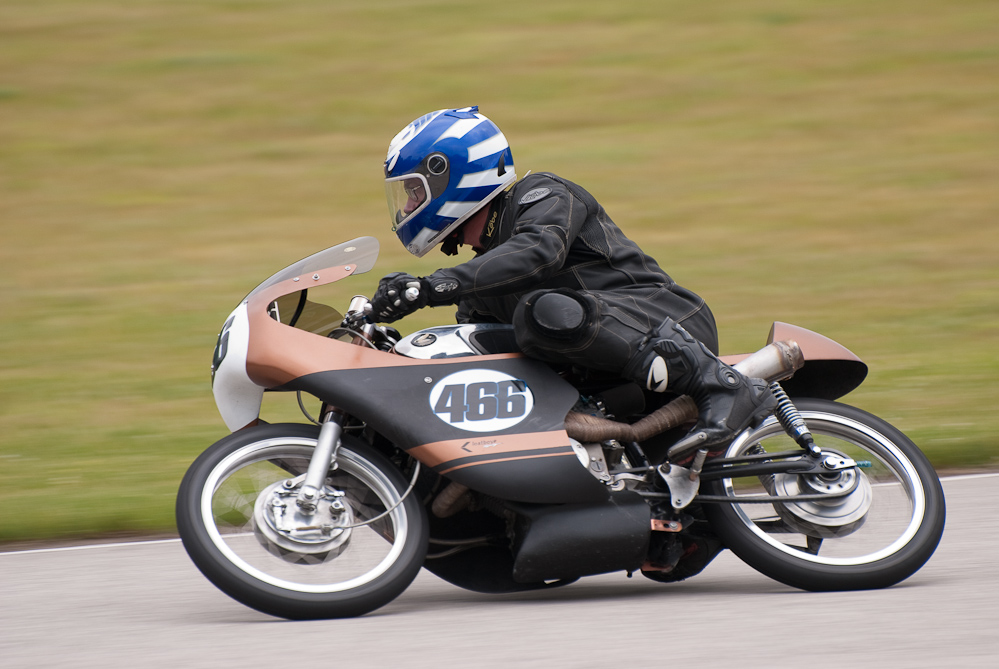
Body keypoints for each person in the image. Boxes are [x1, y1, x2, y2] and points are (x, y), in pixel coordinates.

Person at [372, 106, 775, 451]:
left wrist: (428, 287)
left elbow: (537, 253)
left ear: (451, 176)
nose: (408, 205)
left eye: (413, 190)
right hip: (605, 376)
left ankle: (723, 385)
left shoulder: (542, 194)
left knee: (542, 308)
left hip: (668, 324)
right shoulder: (479, 290)